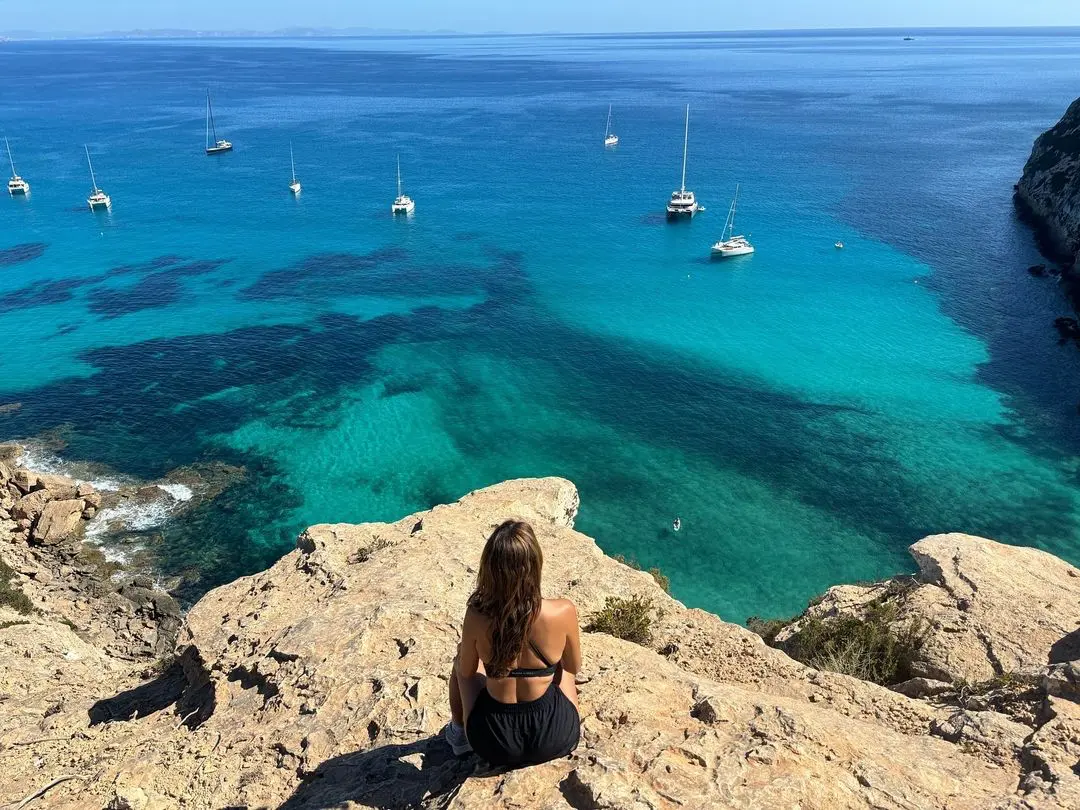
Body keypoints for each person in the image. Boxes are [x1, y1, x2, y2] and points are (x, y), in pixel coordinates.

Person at [444, 519, 582, 767]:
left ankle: (458, 734)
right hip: (552, 737)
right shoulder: (563, 611)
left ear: (489, 567)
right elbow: (573, 666)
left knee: (459, 664)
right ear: (536, 564)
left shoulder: (477, 615)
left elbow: (466, 672)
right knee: (564, 668)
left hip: (493, 742)